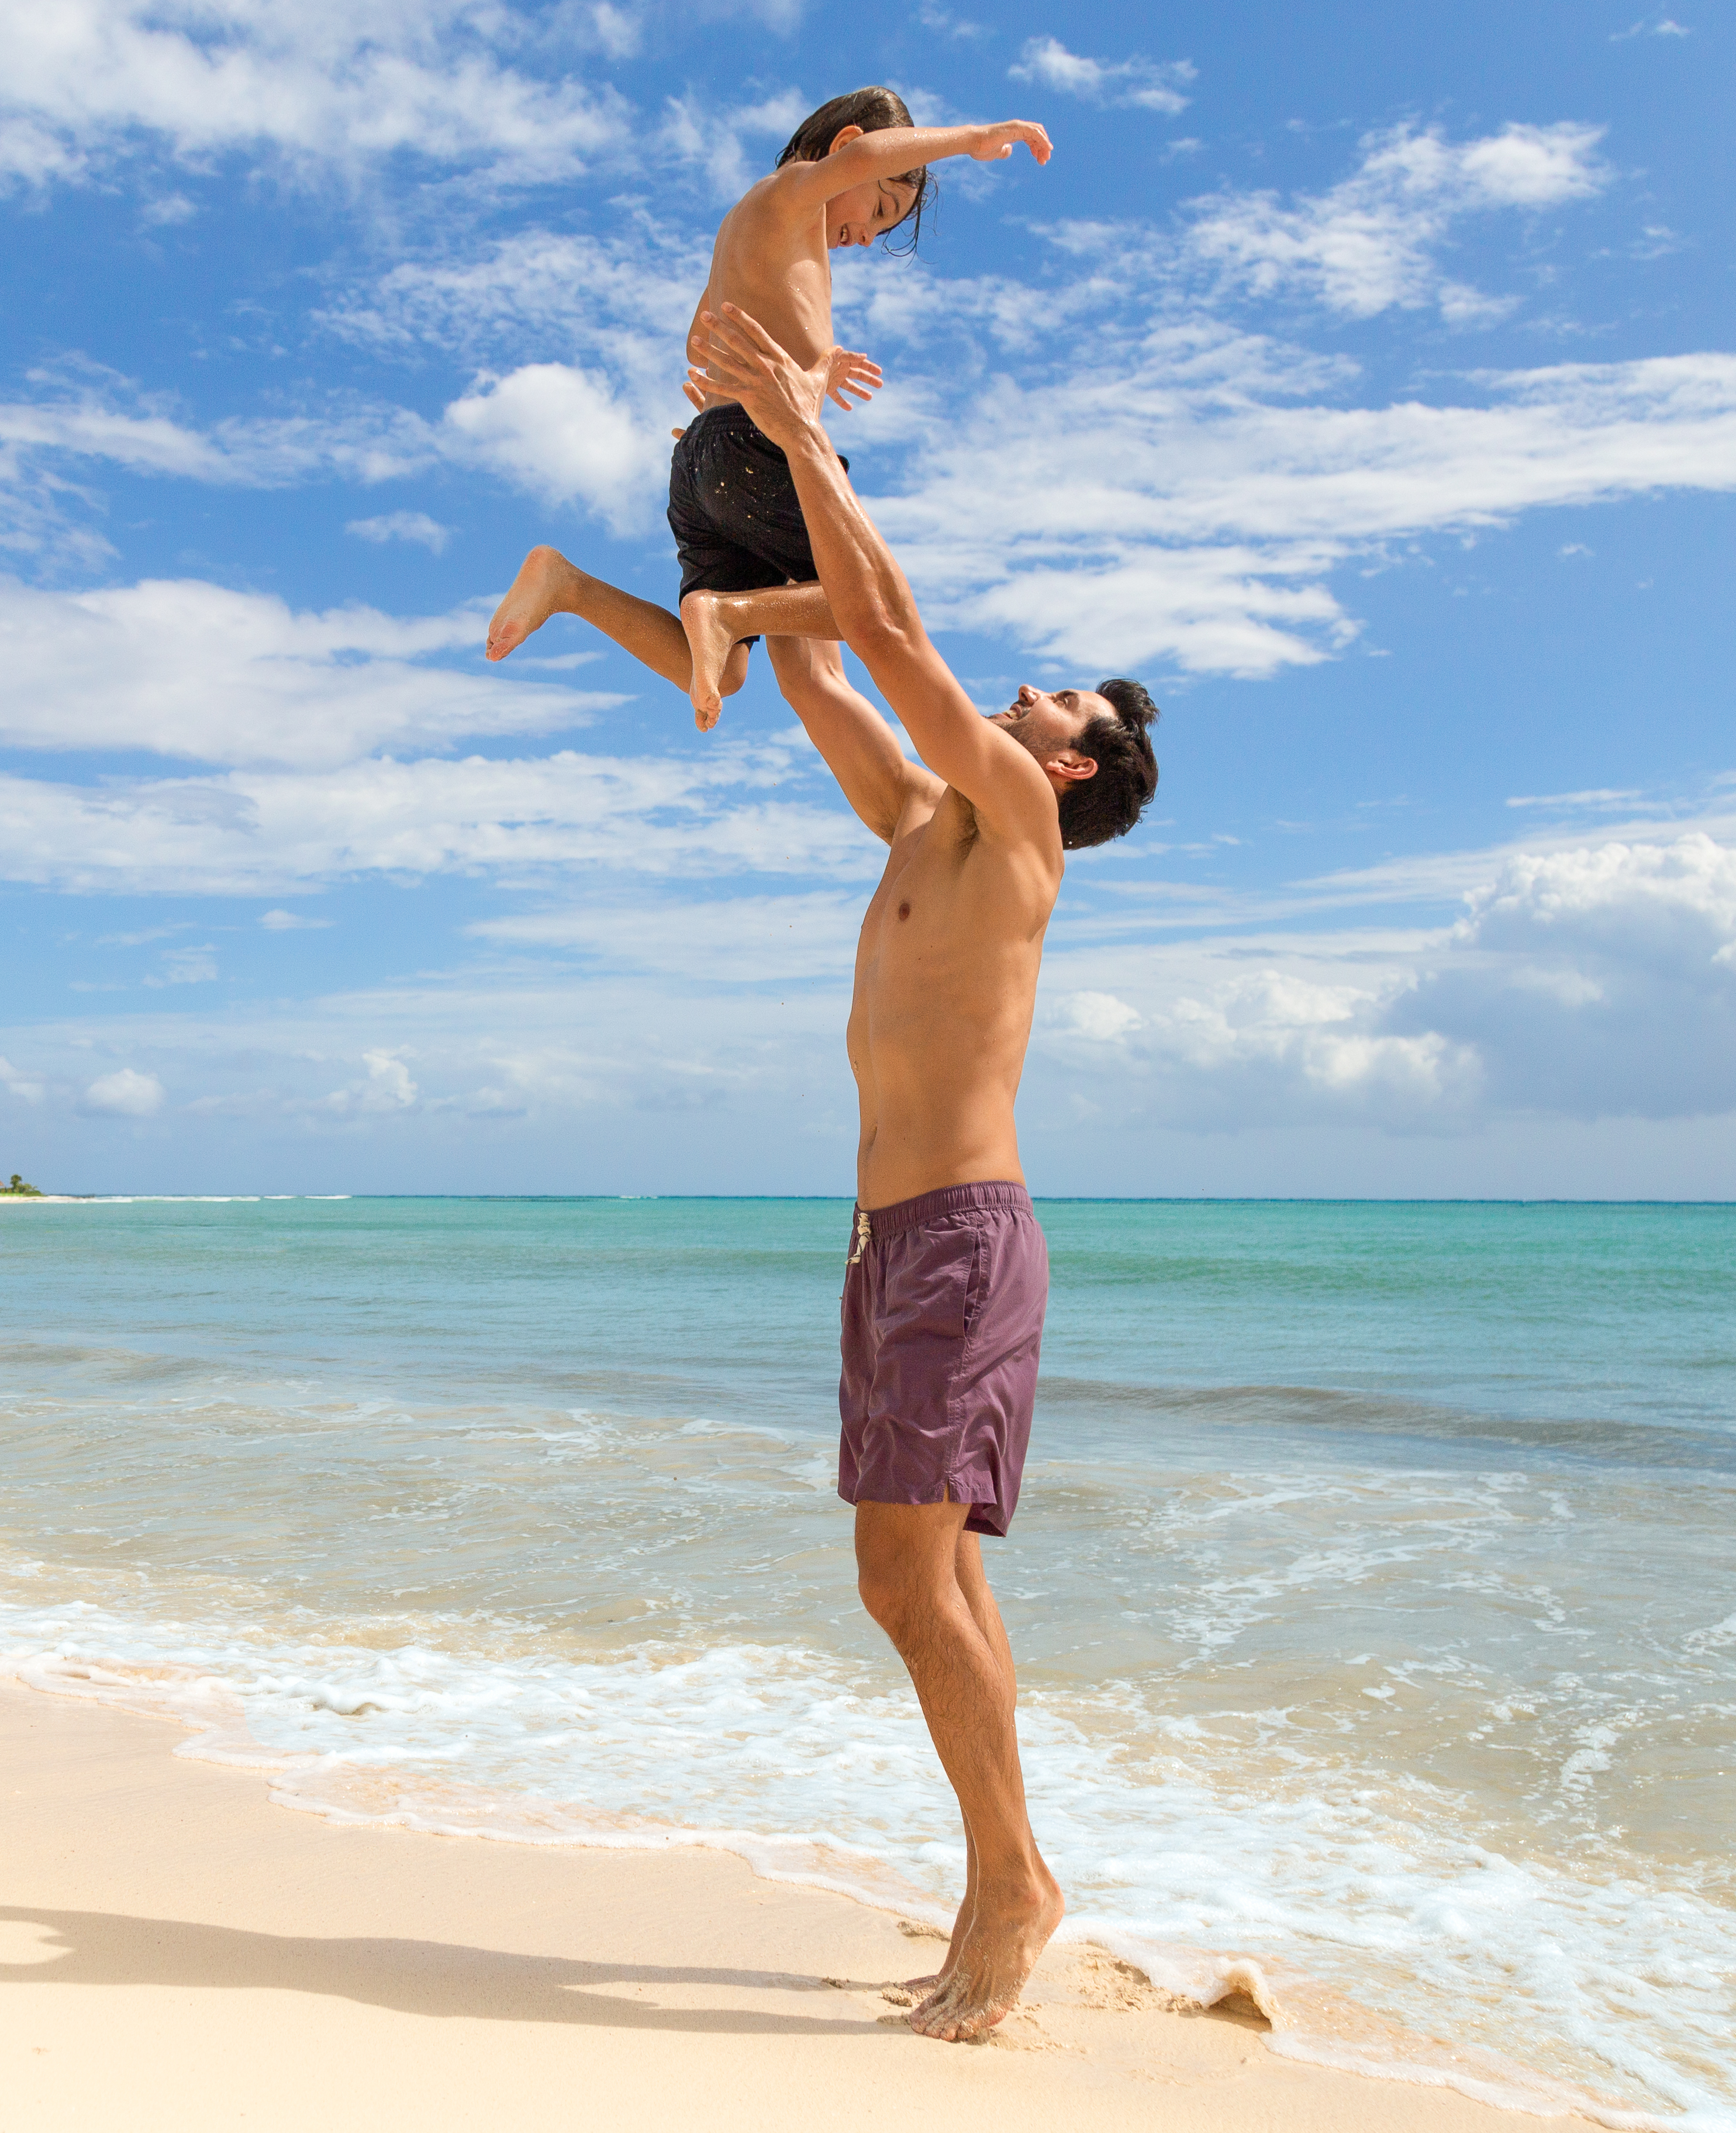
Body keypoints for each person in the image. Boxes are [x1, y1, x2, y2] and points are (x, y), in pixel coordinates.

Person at [684, 297, 1159, 2045]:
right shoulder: (918, 826)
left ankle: (1014, 1880)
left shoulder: (1021, 827)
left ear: (1075, 765)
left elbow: (887, 627)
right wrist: (749, 486)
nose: (1031, 688)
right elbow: (821, 662)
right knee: (943, 1580)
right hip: (897, 1244)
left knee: (900, 1580)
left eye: (1061, 698)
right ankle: (1000, 1877)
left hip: (960, 1239)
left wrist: (814, 427)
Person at [483, 88, 1051, 727]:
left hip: (704, 457)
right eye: (881, 206)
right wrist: (972, 138)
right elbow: (866, 154)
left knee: (725, 672)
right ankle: (730, 613)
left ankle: (569, 585)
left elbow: (701, 337)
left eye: (884, 229)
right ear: (845, 149)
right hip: (753, 449)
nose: (867, 236)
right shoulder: (793, 191)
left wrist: (793, 376)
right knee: (876, 609)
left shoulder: (753, 228)